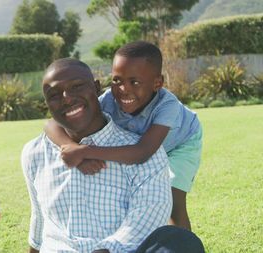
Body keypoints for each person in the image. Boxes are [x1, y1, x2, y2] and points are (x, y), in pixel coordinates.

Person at [21, 58, 204, 252]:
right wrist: (74, 149)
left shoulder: (148, 149)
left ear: (96, 88)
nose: (66, 98)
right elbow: (39, 220)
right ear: (47, 104)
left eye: (76, 86)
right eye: (54, 95)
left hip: (183, 141)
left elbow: (145, 219)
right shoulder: (34, 153)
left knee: (181, 241)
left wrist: (85, 151)